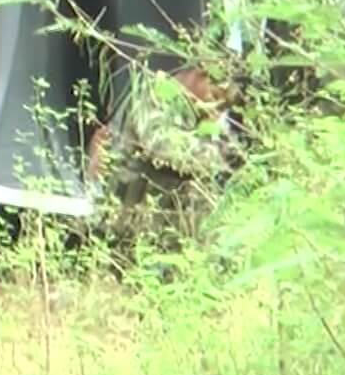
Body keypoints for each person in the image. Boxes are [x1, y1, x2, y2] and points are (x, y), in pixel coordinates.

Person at [89, 65, 236, 259]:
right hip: (123, 223)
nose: (216, 108)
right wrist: (220, 158)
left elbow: (231, 151)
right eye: (216, 97)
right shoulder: (155, 94)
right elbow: (162, 146)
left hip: (161, 231)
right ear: (199, 75)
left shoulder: (201, 114)